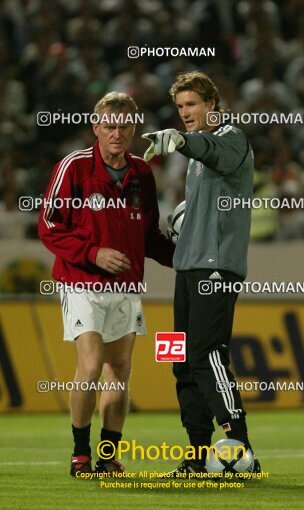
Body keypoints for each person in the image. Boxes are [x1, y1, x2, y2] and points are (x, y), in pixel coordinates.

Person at [38, 92, 174, 477]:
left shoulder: (142, 174)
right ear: (96, 127)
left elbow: (149, 236)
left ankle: (108, 455)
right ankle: (80, 452)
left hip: (126, 286)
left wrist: (184, 258)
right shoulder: (74, 167)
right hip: (82, 282)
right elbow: (48, 226)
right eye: (109, 126)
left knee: (120, 368)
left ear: (134, 128)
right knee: (92, 364)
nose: (117, 133)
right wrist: (93, 253)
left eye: (125, 126)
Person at [142, 71, 261, 475]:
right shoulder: (196, 156)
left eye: (191, 105)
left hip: (215, 267)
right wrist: (184, 219)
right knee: (179, 358)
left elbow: (215, 152)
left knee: (206, 353)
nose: (185, 113)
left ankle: (241, 444)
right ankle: (196, 453)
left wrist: (182, 141)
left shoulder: (231, 137)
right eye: (180, 107)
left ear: (212, 105)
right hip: (188, 265)